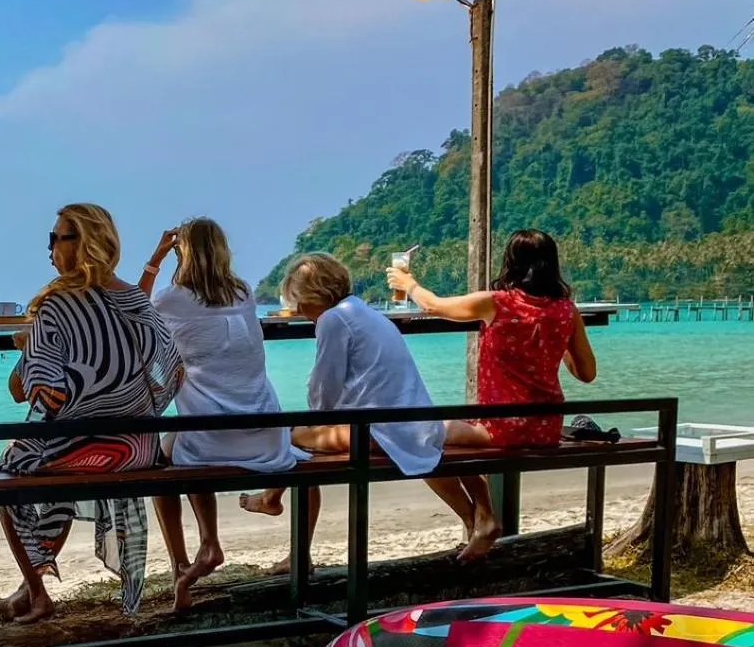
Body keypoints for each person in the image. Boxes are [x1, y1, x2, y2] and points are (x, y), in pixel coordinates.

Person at [0, 203, 184, 624]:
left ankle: (39, 593)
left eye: (55, 238)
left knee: (14, 468)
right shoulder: (136, 297)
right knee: (52, 464)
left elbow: (25, 390)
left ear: (83, 245)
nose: (49, 250)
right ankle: (28, 588)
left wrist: (26, 350)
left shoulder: (55, 304)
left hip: (88, 451)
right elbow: (172, 371)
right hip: (138, 450)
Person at [244, 253, 477, 570]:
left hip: (380, 431)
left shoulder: (332, 320)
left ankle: (287, 529)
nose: (297, 310)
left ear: (316, 296)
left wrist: (316, 409)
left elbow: (323, 397)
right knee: (302, 441)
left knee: (292, 438)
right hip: (411, 425)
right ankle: (475, 521)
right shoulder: (364, 312)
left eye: (299, 301)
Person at [387, 228, 597, 560]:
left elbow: (435, 306)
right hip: (546, 428)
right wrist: (558, 343)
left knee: (418, 437)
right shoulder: (567, 312)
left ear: (510, 263)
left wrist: (407, 283)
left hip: (501, 428)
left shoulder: (496, 303)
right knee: (444, 435)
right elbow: (587, 374)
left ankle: (480, 516)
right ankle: (482, 519)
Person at [139, 218, 299, 611]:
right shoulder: (244, 292)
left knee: (166, 460)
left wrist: (154, 261)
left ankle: (193, 555)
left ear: (183, 253)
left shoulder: (171, 299)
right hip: (266, 433)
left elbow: (132, 314)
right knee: (184, 439)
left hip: (213, 436)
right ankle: (203, 548)